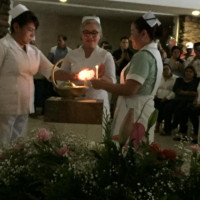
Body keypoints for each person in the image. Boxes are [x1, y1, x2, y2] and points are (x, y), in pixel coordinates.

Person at [0, 4, 76, 146]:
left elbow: (51, 70)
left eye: (34, 31)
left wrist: (74, 76)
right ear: (16, 27)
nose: (32, 34)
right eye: (29, 30)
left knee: (18, 143)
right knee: (2, 143)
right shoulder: (4, 46)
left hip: (25, 105)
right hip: (4, 107)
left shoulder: (33, 51)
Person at [91, 12, 163, 143]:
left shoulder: (144, 56)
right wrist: (107, 81)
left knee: (127, 149)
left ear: (144, 34)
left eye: (132, 32)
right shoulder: (154, 52)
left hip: (134, 110)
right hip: (141, 106)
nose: (130, 37)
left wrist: (102, 85)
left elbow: (130, 89)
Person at [61, 16, 116, 116]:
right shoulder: (71, 55)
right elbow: (61, 79)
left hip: (98, 103)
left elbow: (112, 82)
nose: (90, 36)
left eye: (94, 33)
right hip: (75, 102)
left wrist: (100, 77)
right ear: (81, 35)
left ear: (100, 35)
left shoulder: (105, 56)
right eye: (86, 32)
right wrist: (72, 78)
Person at [162, 66, 199, 139]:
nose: (188, 73)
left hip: (189, 101)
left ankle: (179, 129)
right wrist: (190, 92)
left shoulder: (196, 81)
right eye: (187, 71)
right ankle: (167, 128)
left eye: (190, 72)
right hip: (178, 99)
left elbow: (196, 93)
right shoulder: (179, 80)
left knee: (180, 109)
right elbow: (176, 90)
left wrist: (183, 92)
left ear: (194, 73)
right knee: (167, 107)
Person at [154, 63, 176, 133]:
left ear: (170, 70)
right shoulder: (159, 77)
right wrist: (155, 95)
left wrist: (167, 97)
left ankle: (158, 125)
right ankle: (154, 124)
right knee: (154, 104)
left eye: (167, 69)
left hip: (170, 99)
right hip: (158, 97)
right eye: (163, 70)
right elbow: (156, 87)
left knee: (162, 106)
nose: (165, 71)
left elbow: (174, 91)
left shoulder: (175, 79)